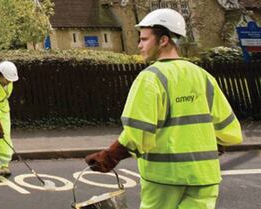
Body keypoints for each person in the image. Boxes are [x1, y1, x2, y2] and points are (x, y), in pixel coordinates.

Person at [85, 8, 243, 209]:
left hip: (165, 178)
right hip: (205, 176)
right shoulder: (202, 76)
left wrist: (110, 156)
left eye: (144, 39)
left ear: (163, 40)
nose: (139, 45)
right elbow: (229, 130)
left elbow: (138, 132)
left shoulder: (151, 78)